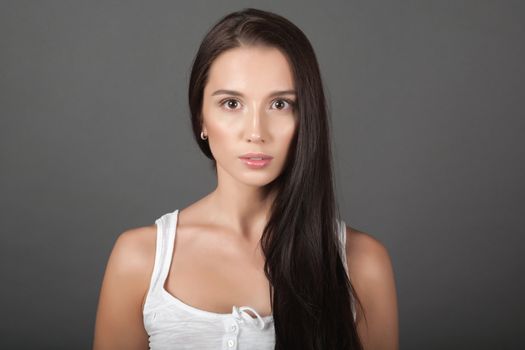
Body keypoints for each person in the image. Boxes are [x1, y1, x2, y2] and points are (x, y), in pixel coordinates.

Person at [93, 8, 398, 350]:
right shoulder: (139, 259)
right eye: (232, 103)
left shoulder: (363, 264)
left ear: (307, 118)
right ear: (201, 119)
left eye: (280, 104)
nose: (256, 132)